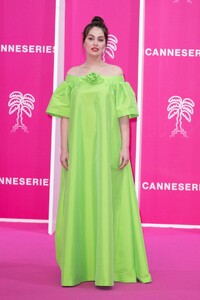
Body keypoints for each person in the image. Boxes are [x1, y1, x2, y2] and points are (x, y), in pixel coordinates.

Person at [46, 16, 152, 287]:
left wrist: (125, 147)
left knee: (108, 199)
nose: (95, 43)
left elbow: (123, 114)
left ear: (107, 44)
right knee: (81, 199)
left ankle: (110, 266)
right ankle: (79, 264)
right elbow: (65, 114)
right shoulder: (72, 75)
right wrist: (64, 148)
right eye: (91, 38)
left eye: (100, 39)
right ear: (83, 42)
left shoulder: (116, 74)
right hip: (80, 150)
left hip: (107, 148)